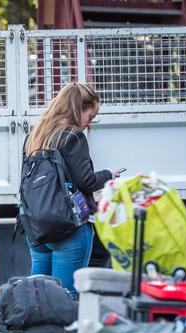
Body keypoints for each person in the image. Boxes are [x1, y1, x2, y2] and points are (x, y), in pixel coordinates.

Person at [22, 82, 119, 296]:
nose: (89, 124)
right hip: (68, 226)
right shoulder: (72, 136)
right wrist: (109, 175)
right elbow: (86, 182)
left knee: (36, 296)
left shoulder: (34, 136)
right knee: (66, 298)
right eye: (90, 117)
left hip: (37, 226)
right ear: (78, 109)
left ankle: (35, 331)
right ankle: (63, 332)